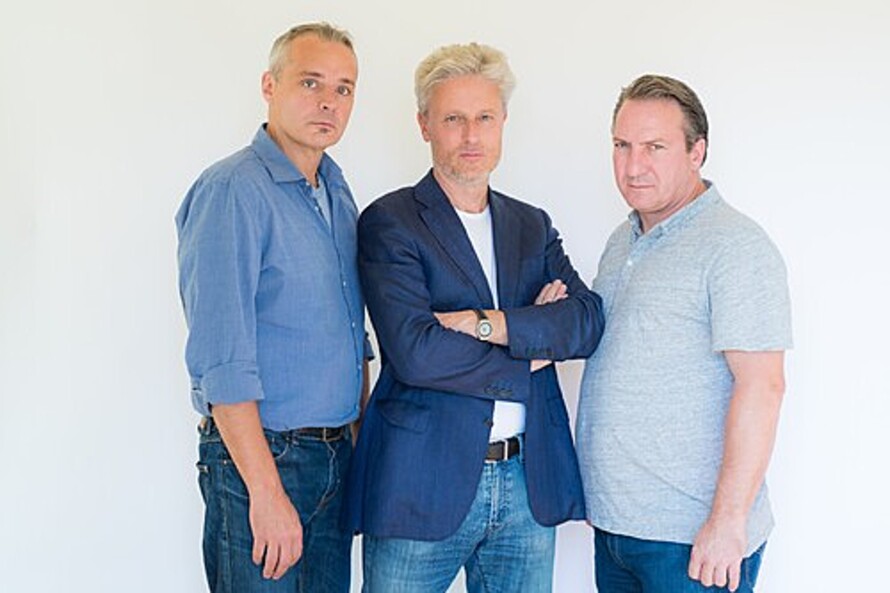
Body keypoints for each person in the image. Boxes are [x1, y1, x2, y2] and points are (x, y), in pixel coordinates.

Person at [343, 42, 605, 593]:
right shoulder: (391, 222)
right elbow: (417, 353)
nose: (471, 136)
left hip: (526, 485)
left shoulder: (531, 225)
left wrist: (490, 324)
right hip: (421, 485)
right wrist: (532, 349)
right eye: (453, 119)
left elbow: (585, 321)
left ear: (503, 121)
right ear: (424, 125)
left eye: (484, 117)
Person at [576, 74, 792, 592]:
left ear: (697, 152)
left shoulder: (734, 245)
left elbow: (763, 385)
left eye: (655, 147)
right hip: (616, 528)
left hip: (693, 539)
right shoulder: (622, 240)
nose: (633, 166)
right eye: (622, 146)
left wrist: (728, 522)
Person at [175, 22, 370, 593]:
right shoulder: (233, 189)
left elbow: (349, 329)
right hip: (265, 460)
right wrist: (265, 491)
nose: (328, 102)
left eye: (343, 88)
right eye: (311, 82)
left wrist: (357, 434)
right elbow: (222, 359)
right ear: (269, 85)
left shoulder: (336, 190)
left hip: (333, 456)